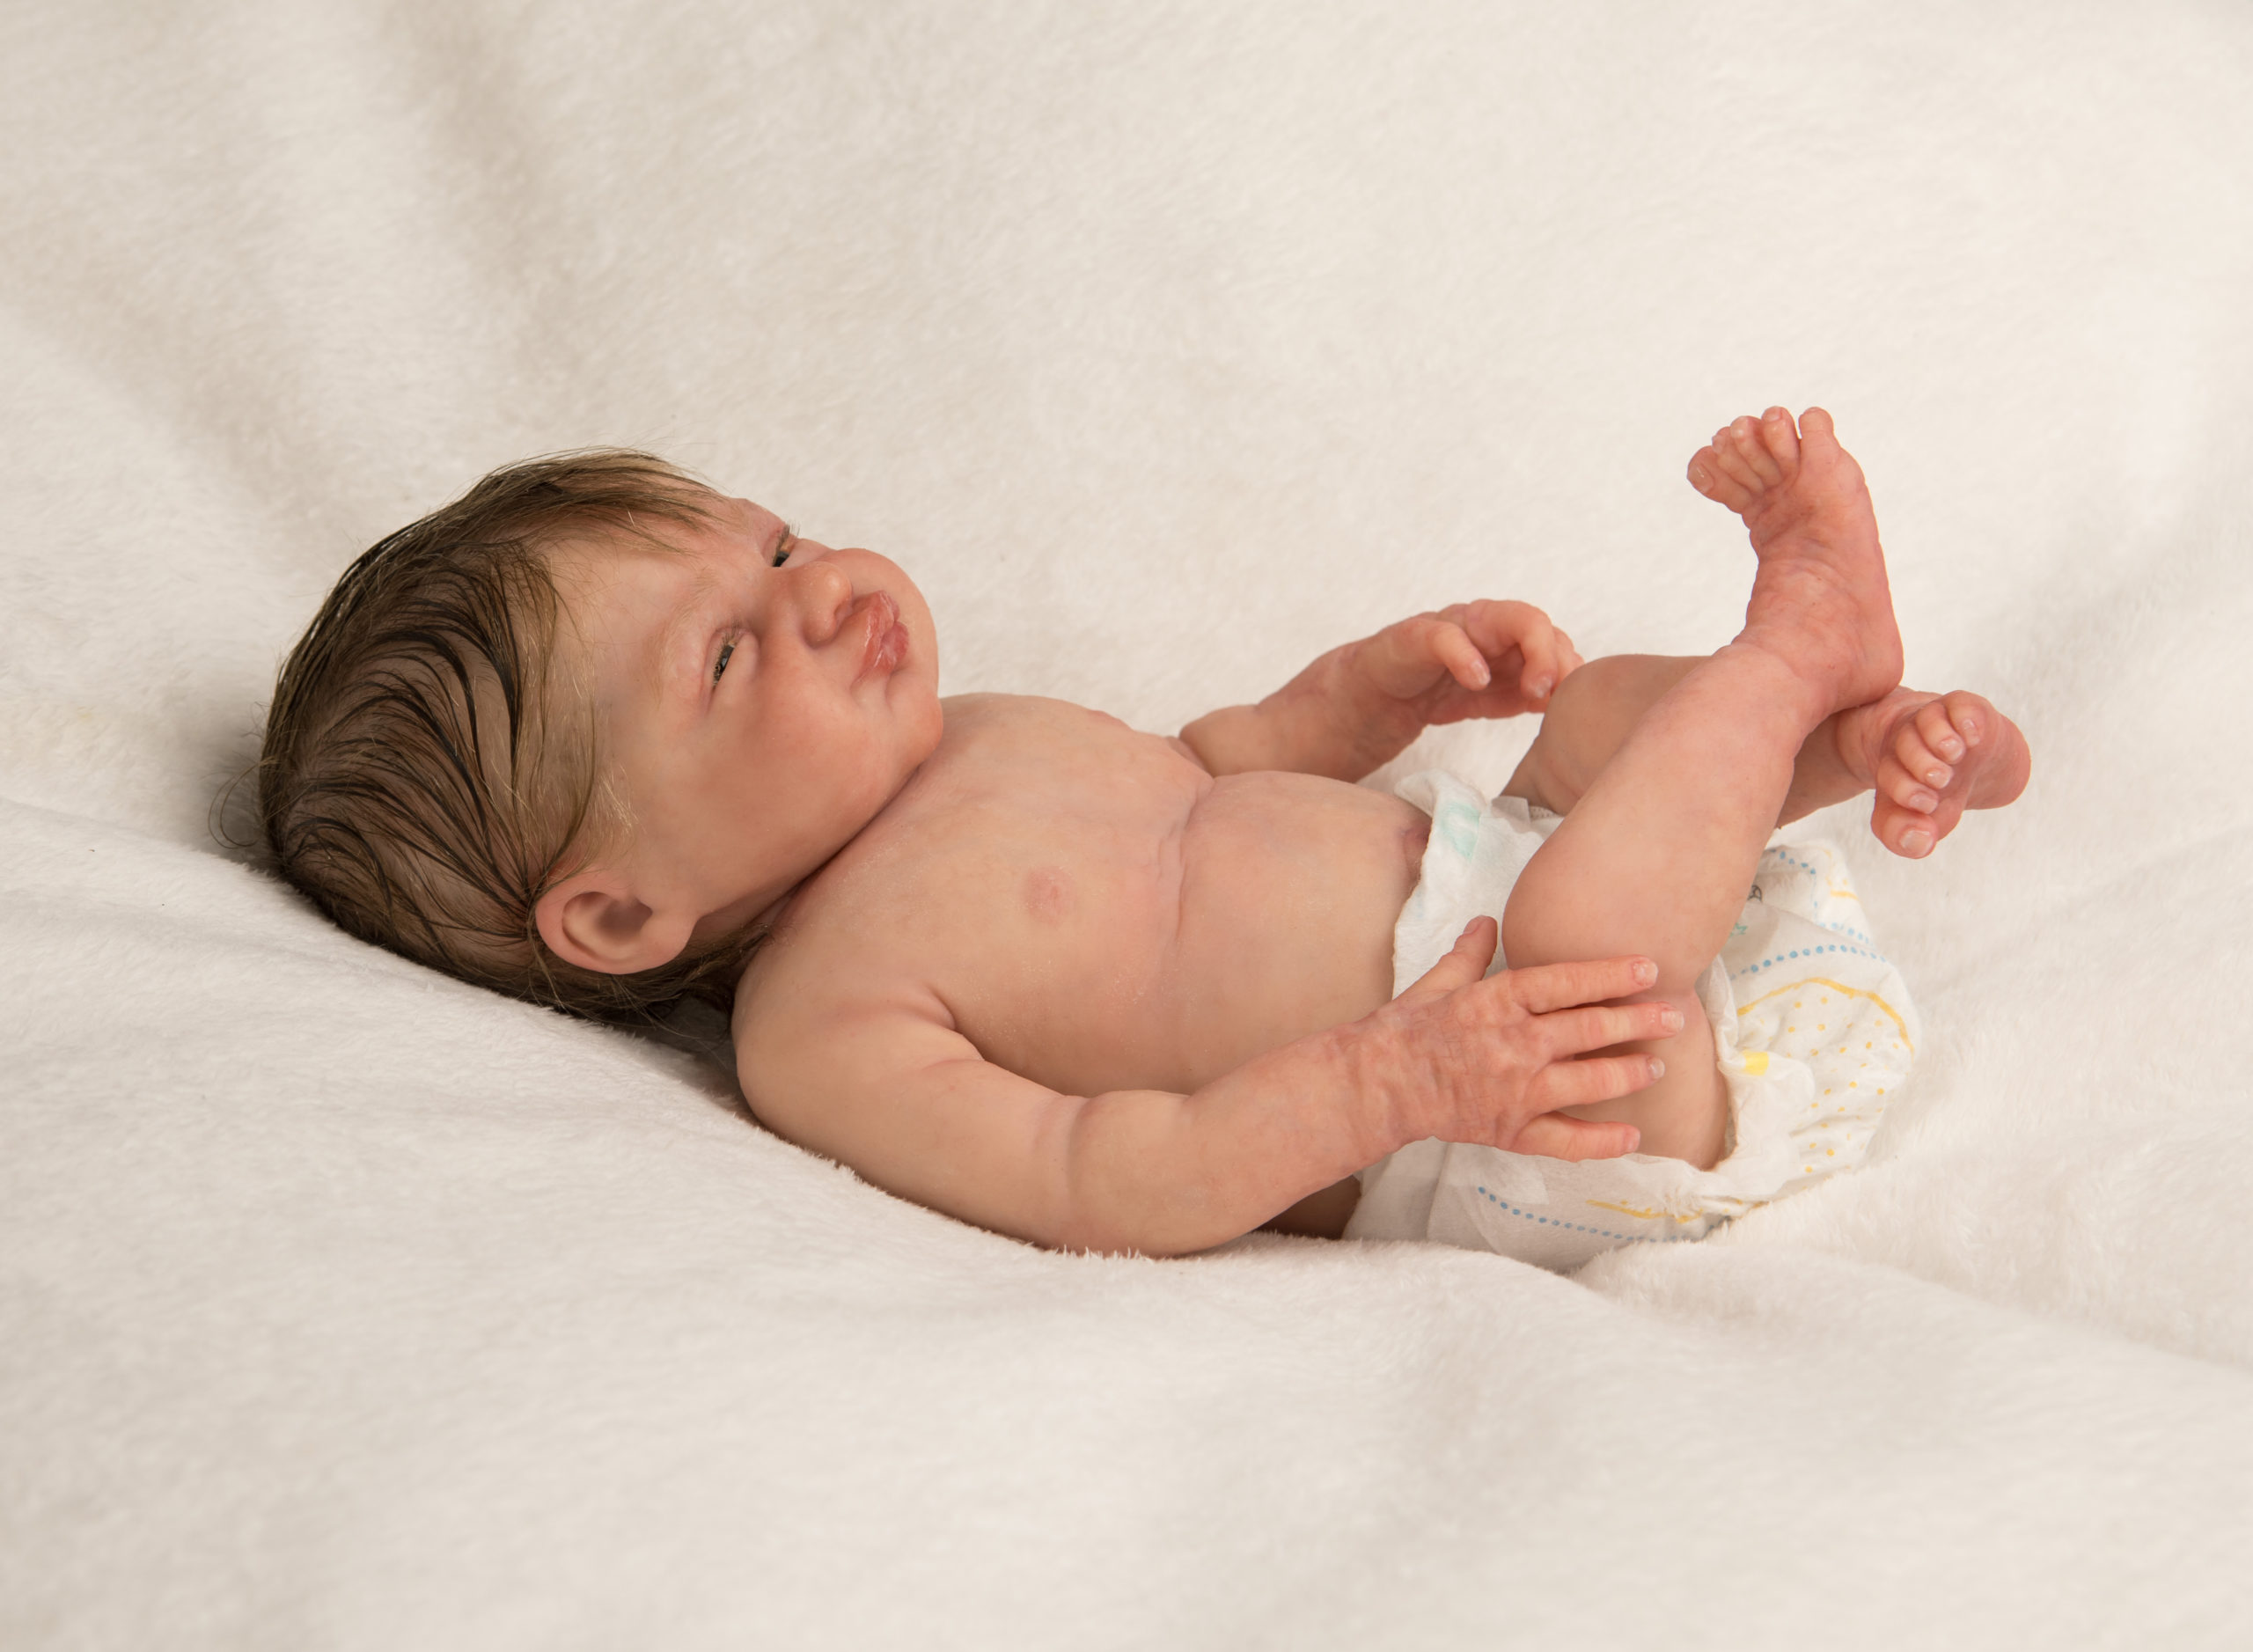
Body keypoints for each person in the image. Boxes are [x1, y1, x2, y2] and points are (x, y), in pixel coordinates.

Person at [259, 407, 2029, 1267]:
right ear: (619, 914)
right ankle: (1795, 655)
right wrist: (1384, 1086)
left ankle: (1847, 745)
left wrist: (1362, 694)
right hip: (1544, 1107)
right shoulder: (822, 1024)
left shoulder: (969, 730)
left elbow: (1207, 770)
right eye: (725, 656)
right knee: (1584, 934)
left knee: (1580, 743)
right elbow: (1100, 1174)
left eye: (778, 546)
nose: (823, 591)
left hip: (1554, 886)